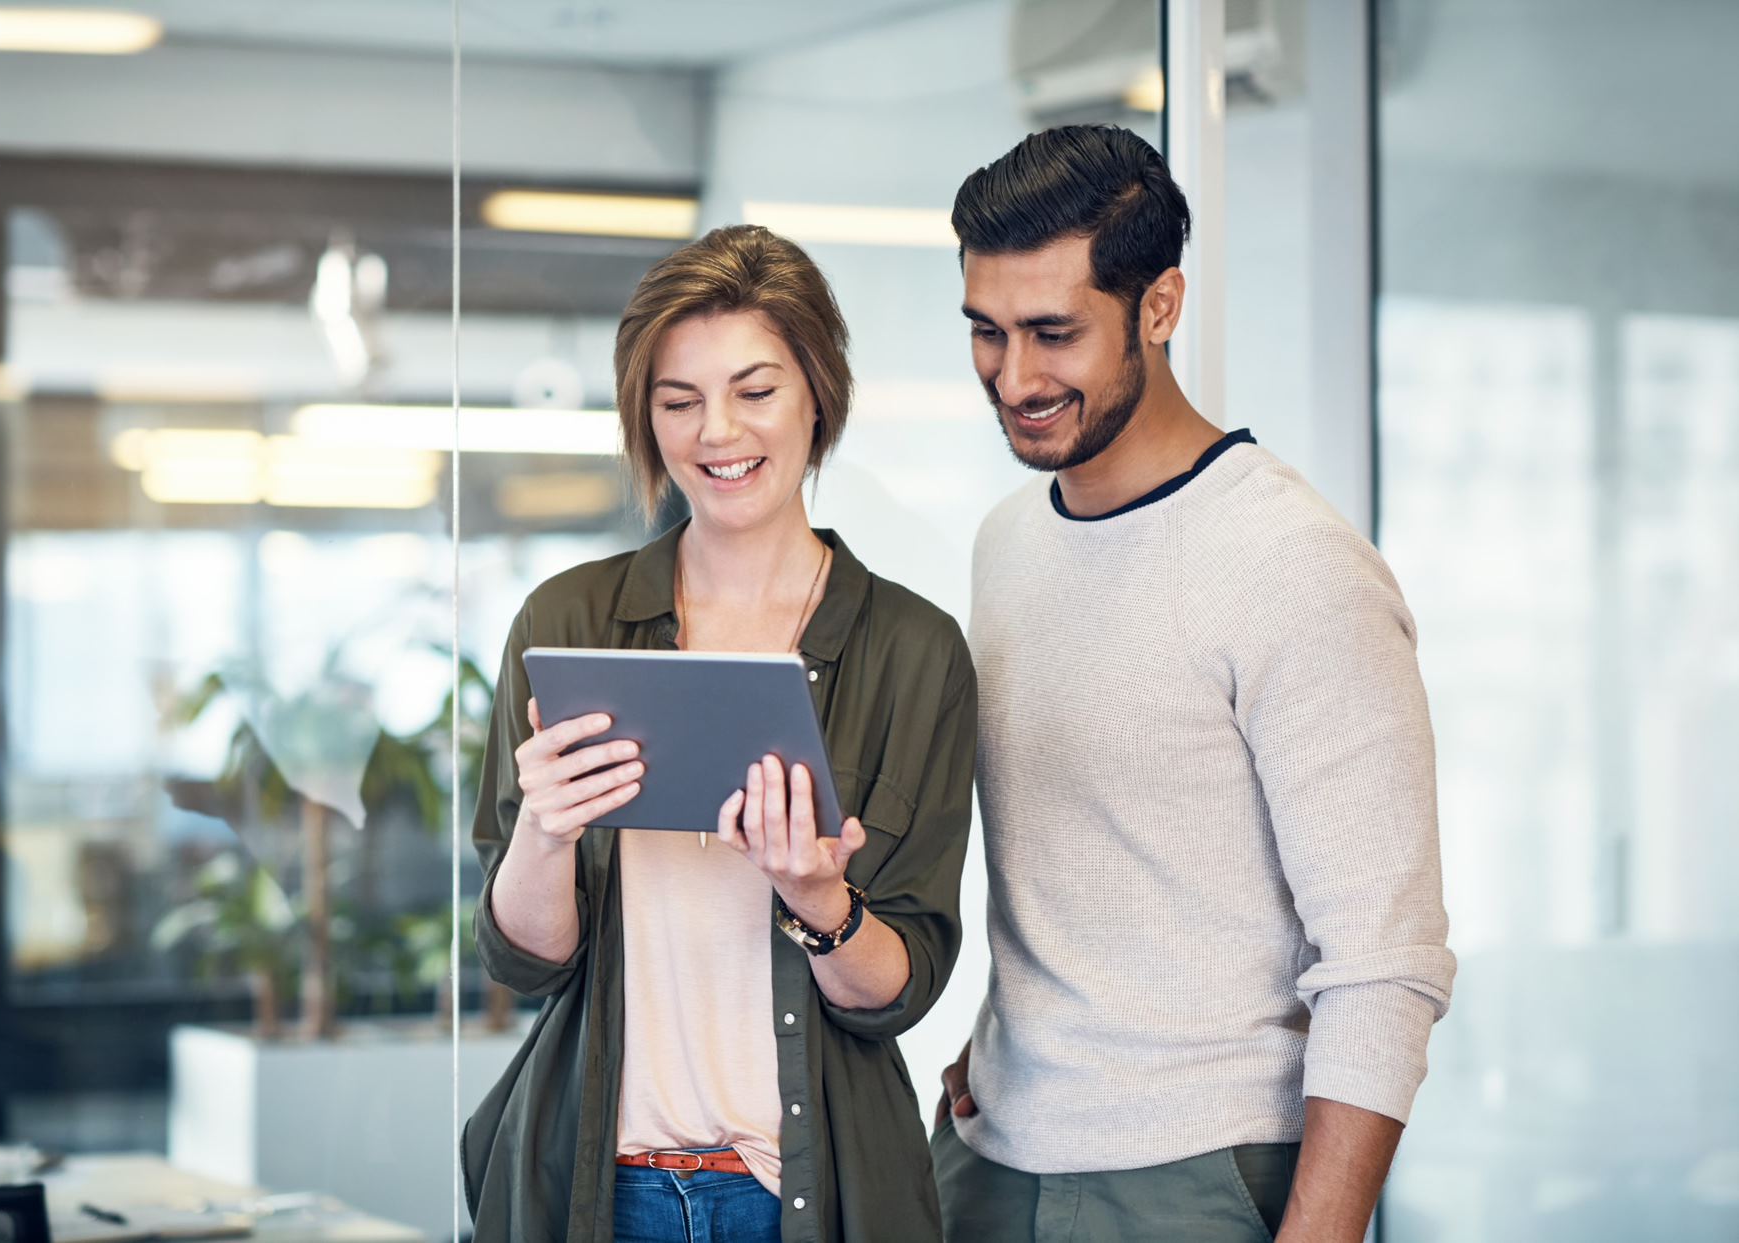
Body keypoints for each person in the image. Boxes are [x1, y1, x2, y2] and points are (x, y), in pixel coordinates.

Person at [932, 124, 1456, 1242]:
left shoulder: (1290, 562)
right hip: (988, 1160)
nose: (1014, 378)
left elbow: (1384, 963)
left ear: (1159, 306)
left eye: (1052, 333)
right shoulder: (1007, 543)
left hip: (1194, 1181)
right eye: (987, 331)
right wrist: (998, 1043)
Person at [462, 224, 978, 1243]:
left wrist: (817, 896)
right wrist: (545, 834)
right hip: (597, 1188)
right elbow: (528, 962)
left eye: (755, 389)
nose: (717, 431)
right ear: (644, 417)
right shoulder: (568, 623)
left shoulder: (913, 651)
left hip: (803, 1195)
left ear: (817, 395)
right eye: (678, 400)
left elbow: (898, 991)